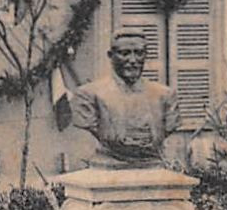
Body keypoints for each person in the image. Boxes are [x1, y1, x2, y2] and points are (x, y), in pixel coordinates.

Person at [68, 30, 180, 165]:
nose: (132, 60)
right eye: (124, 53)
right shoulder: (88, 95)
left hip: (153, 163)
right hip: (110, 162)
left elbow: (169, 127)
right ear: (111, 55)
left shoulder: (165, 95)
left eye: (139, 53)